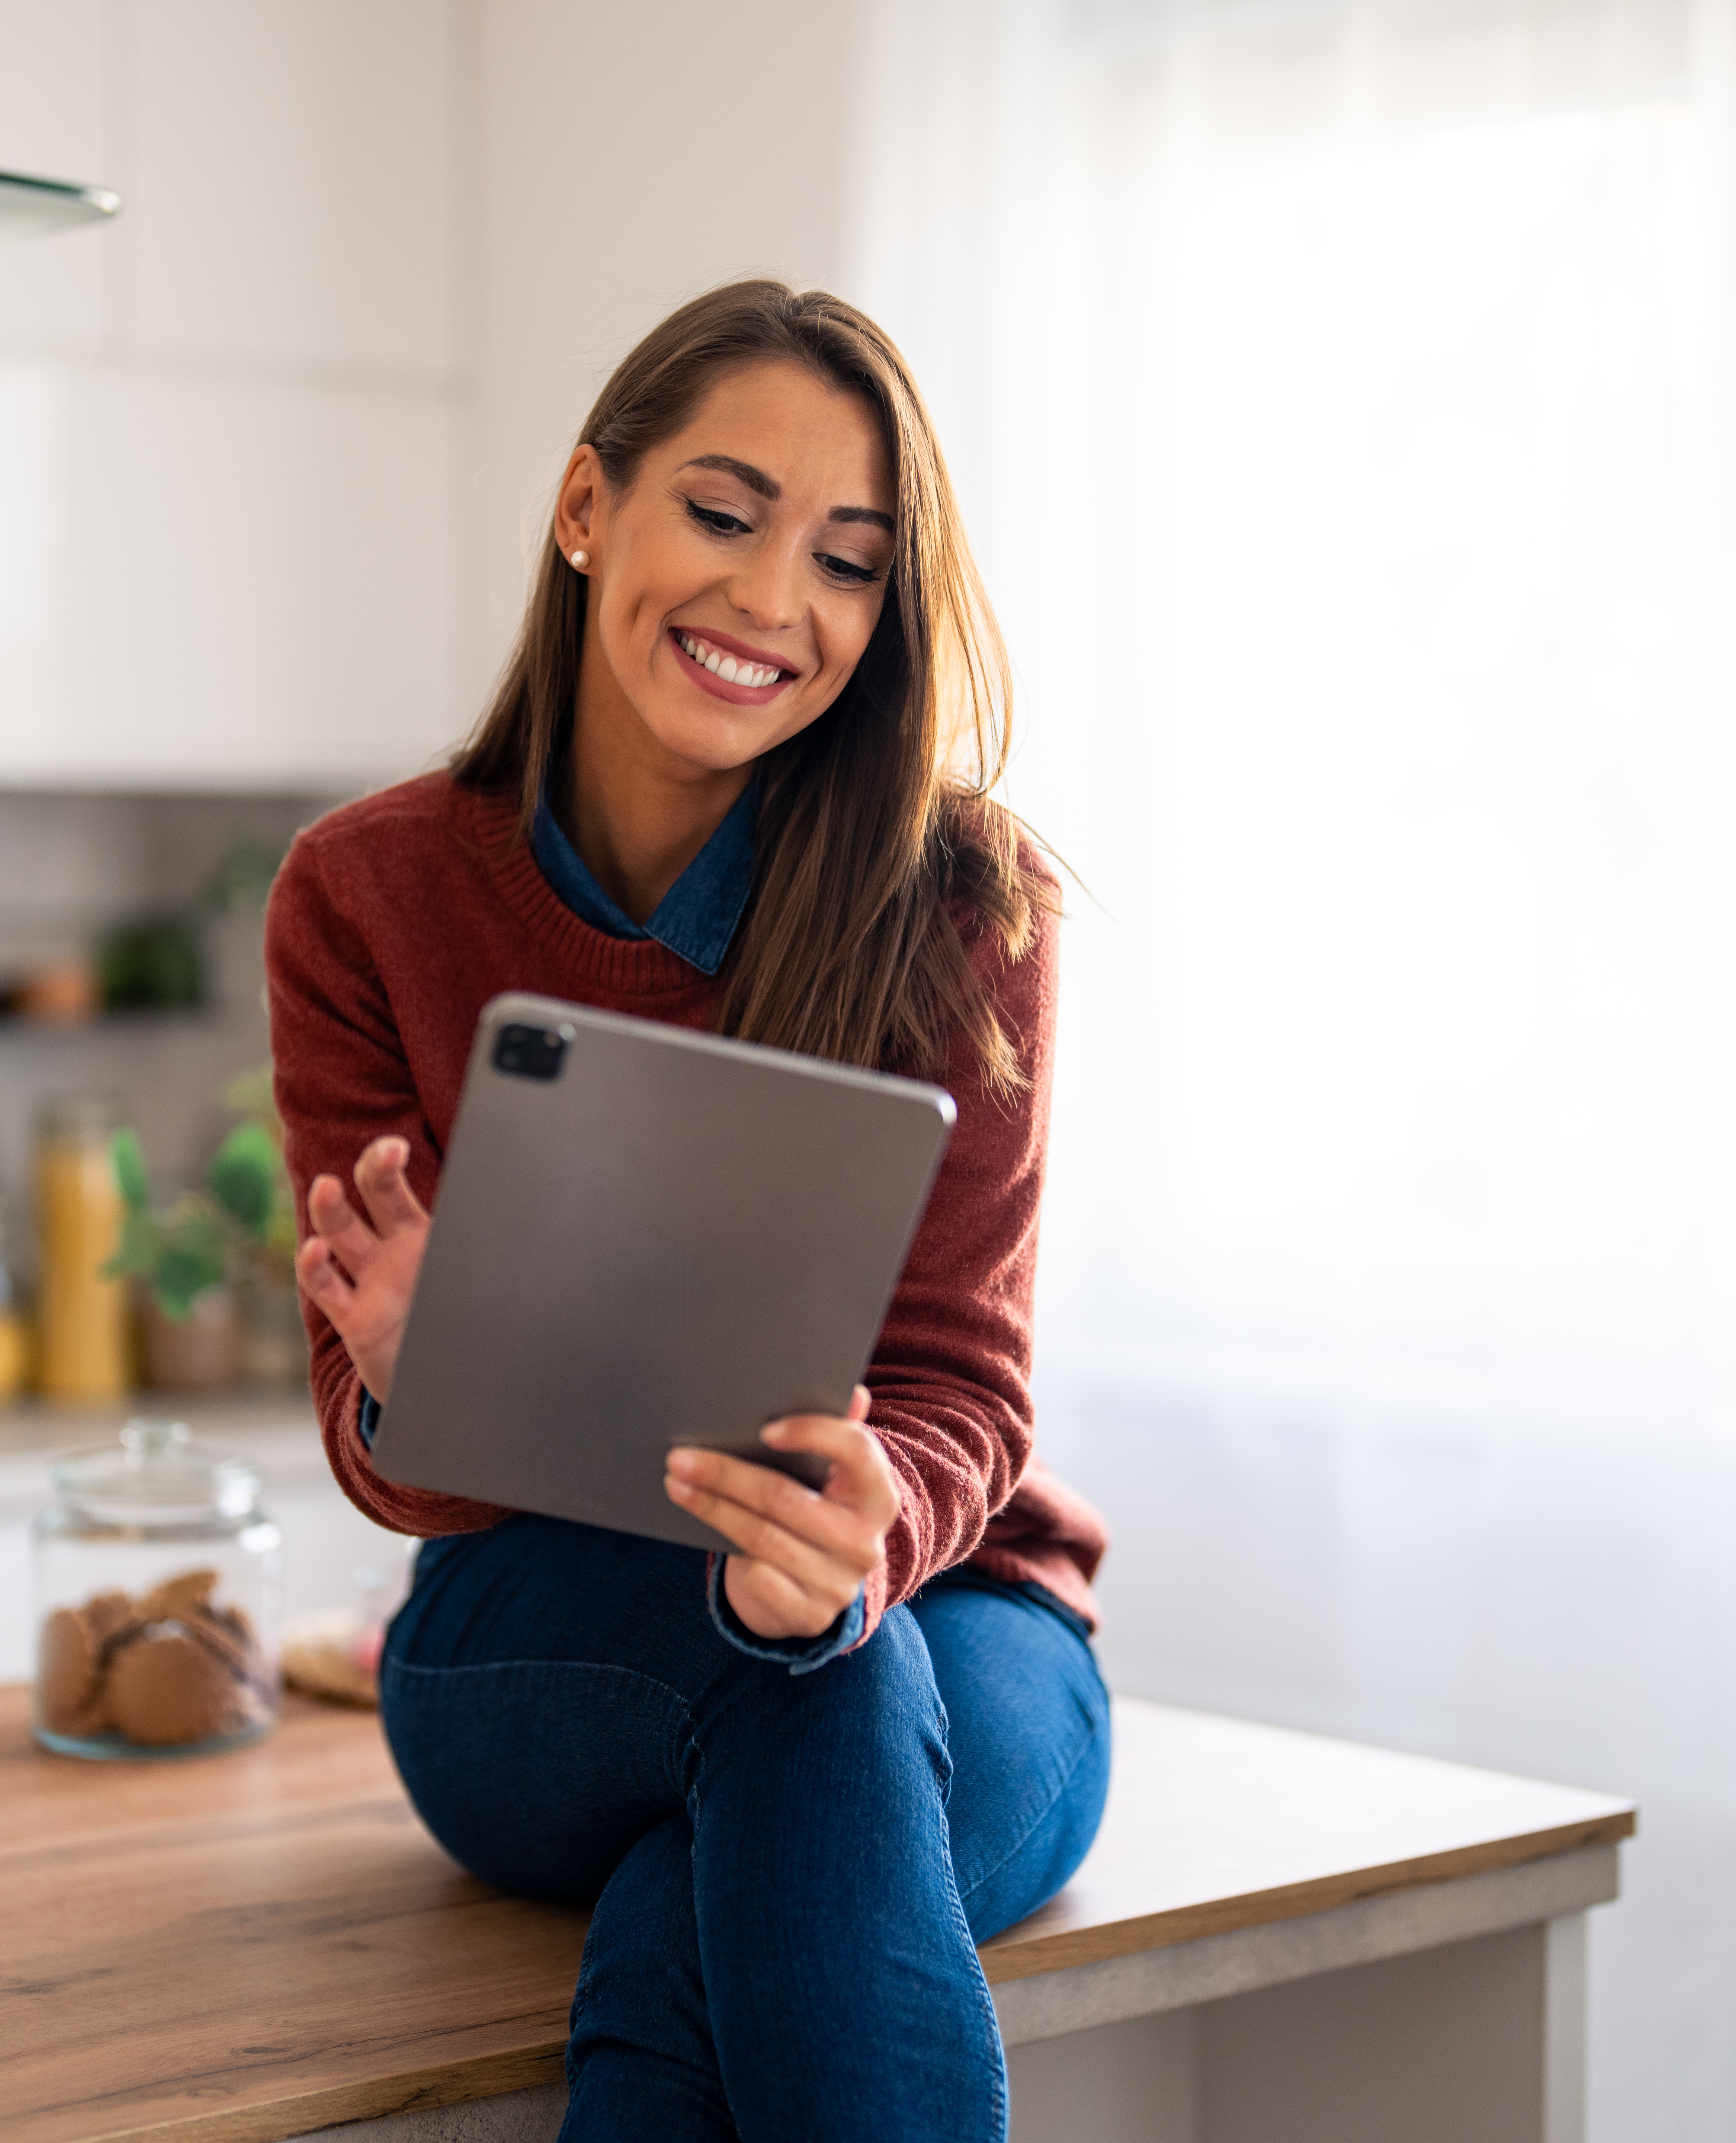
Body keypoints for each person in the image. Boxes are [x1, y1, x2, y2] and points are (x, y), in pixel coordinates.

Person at [267, 279, 1111, 2143]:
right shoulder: (364, 896)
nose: (772, 604)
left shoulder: (968, 902)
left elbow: (965, 1380)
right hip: (543, 1639)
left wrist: (855, 1549)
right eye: (723, 514)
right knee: (799, 1680)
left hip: (951, 1605)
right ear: (589, 509)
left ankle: (815, 1632)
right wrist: (426, 1368)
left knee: (747, 1805)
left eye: (848, 561)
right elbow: (378, 1450)